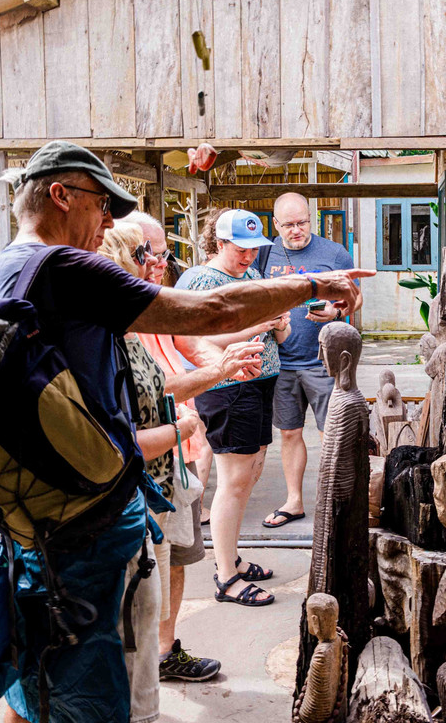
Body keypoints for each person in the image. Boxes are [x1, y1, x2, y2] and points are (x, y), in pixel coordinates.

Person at [0, 141, 369, 723]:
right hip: (82, 528)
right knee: (97, 695)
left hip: (30, 520)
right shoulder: (66, 269)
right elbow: (212, 310)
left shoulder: (0, 271)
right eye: (102, 204)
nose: (109, 222)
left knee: (33, 688)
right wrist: (314, 285)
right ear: (59, 195)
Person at [115, 211, 265, 680]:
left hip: (175, 457)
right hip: (150, 457)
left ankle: (164, 651)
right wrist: (218, 372)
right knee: (140, 573)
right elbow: (156, 388)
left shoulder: (156, 300)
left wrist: (226, 359)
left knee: (175, 555)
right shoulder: (116, 315)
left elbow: (194, 342)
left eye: (163, 253)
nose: (160, 263)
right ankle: (136, 666)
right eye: (150, 254)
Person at [177, 208, 291, 607]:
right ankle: (226, 576)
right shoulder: (200, 280)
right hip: (228, 385)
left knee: (251, 472)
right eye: (240, 249)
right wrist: (260, 325)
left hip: (261, 381)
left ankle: (232, 557)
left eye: (254, 249)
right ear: (219, 242)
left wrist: (279, 323)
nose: (248, 256)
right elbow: (195, 339)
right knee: (235, 479)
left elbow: (283, 332)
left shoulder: (253, 275)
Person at [254, 193, 361, 529]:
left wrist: (337, 310)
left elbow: (354, 296)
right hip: (280, 361)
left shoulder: (334, 253)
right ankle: (294, 501)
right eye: (288, 225)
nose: (296, 230)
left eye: (302, 223)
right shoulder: (263, 253)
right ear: (276, 224)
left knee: (331, 432)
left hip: (322, 361)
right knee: (289, 433)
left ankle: (336, 501)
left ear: (310, 219)